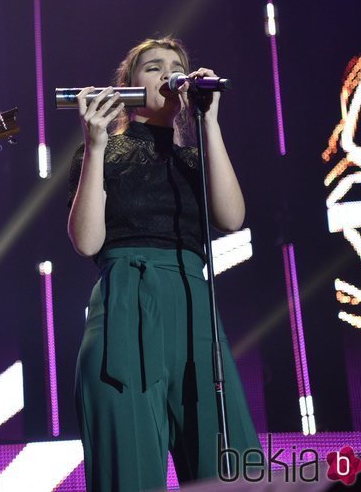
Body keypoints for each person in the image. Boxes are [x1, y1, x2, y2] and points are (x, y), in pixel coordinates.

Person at [67, 37, 260, 491]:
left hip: (192, 305)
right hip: (125, 305)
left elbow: (232, 218)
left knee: (228, 466)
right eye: (154, 68)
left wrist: (207, 120)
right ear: (128, 86)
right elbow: (86, 241)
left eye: (177, 67)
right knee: (129, 472)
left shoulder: (196, 159)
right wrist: (94, 146)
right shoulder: (102, 152)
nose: (169, 74)